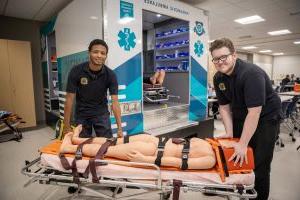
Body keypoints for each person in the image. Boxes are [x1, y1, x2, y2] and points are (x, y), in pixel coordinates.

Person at [210, 38, 281, 200]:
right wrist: (229, 133)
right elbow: (224, 107)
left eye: (224, 57)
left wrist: (242, 144)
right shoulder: (218, 78)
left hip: (266, 117)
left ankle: (258, 195)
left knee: (260, 163)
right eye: (216, 59)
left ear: (234, 55)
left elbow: (254, 113)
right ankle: (244, 189)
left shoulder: (251, 74)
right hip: (242, 114)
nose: (220, 62)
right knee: (239, 156)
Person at [60, 125, 216, 170]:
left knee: (108, 149)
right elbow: (179, 143)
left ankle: (68, 148)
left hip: (152, 150)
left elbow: (177, 162)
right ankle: (76, 139)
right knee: (112, 142)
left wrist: (145, 160)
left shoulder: (209, 159)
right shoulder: (208, 145)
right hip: (152, 142)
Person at [63, 39, 123, 138]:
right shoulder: (76, 71)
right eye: (95, 52)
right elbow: (69, 99)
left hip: (101, 113)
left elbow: (115, 102)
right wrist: (66, 125)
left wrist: (120, 128)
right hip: (82, 113)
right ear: (89, 53)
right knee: (81, 145)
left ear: (106, 56)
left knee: (107, 144)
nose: (99, 55)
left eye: (103, 53)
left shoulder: (110, 75)